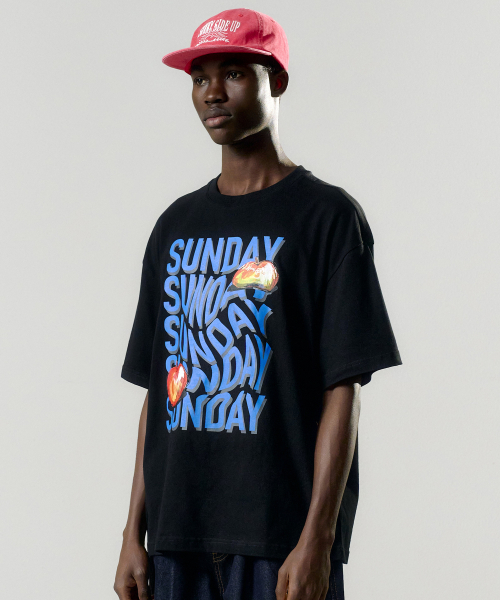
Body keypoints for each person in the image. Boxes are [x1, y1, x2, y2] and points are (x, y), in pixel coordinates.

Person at [113, 8, 402, 600]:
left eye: (235, 73)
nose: (212, 92)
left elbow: (342, 389)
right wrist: (132, 533)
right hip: (176, 539)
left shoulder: (328, 219)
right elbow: (158, 393)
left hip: (280, 539)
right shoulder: (175, 226)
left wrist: (318, 539)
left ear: (278, 81)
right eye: (200, 78)